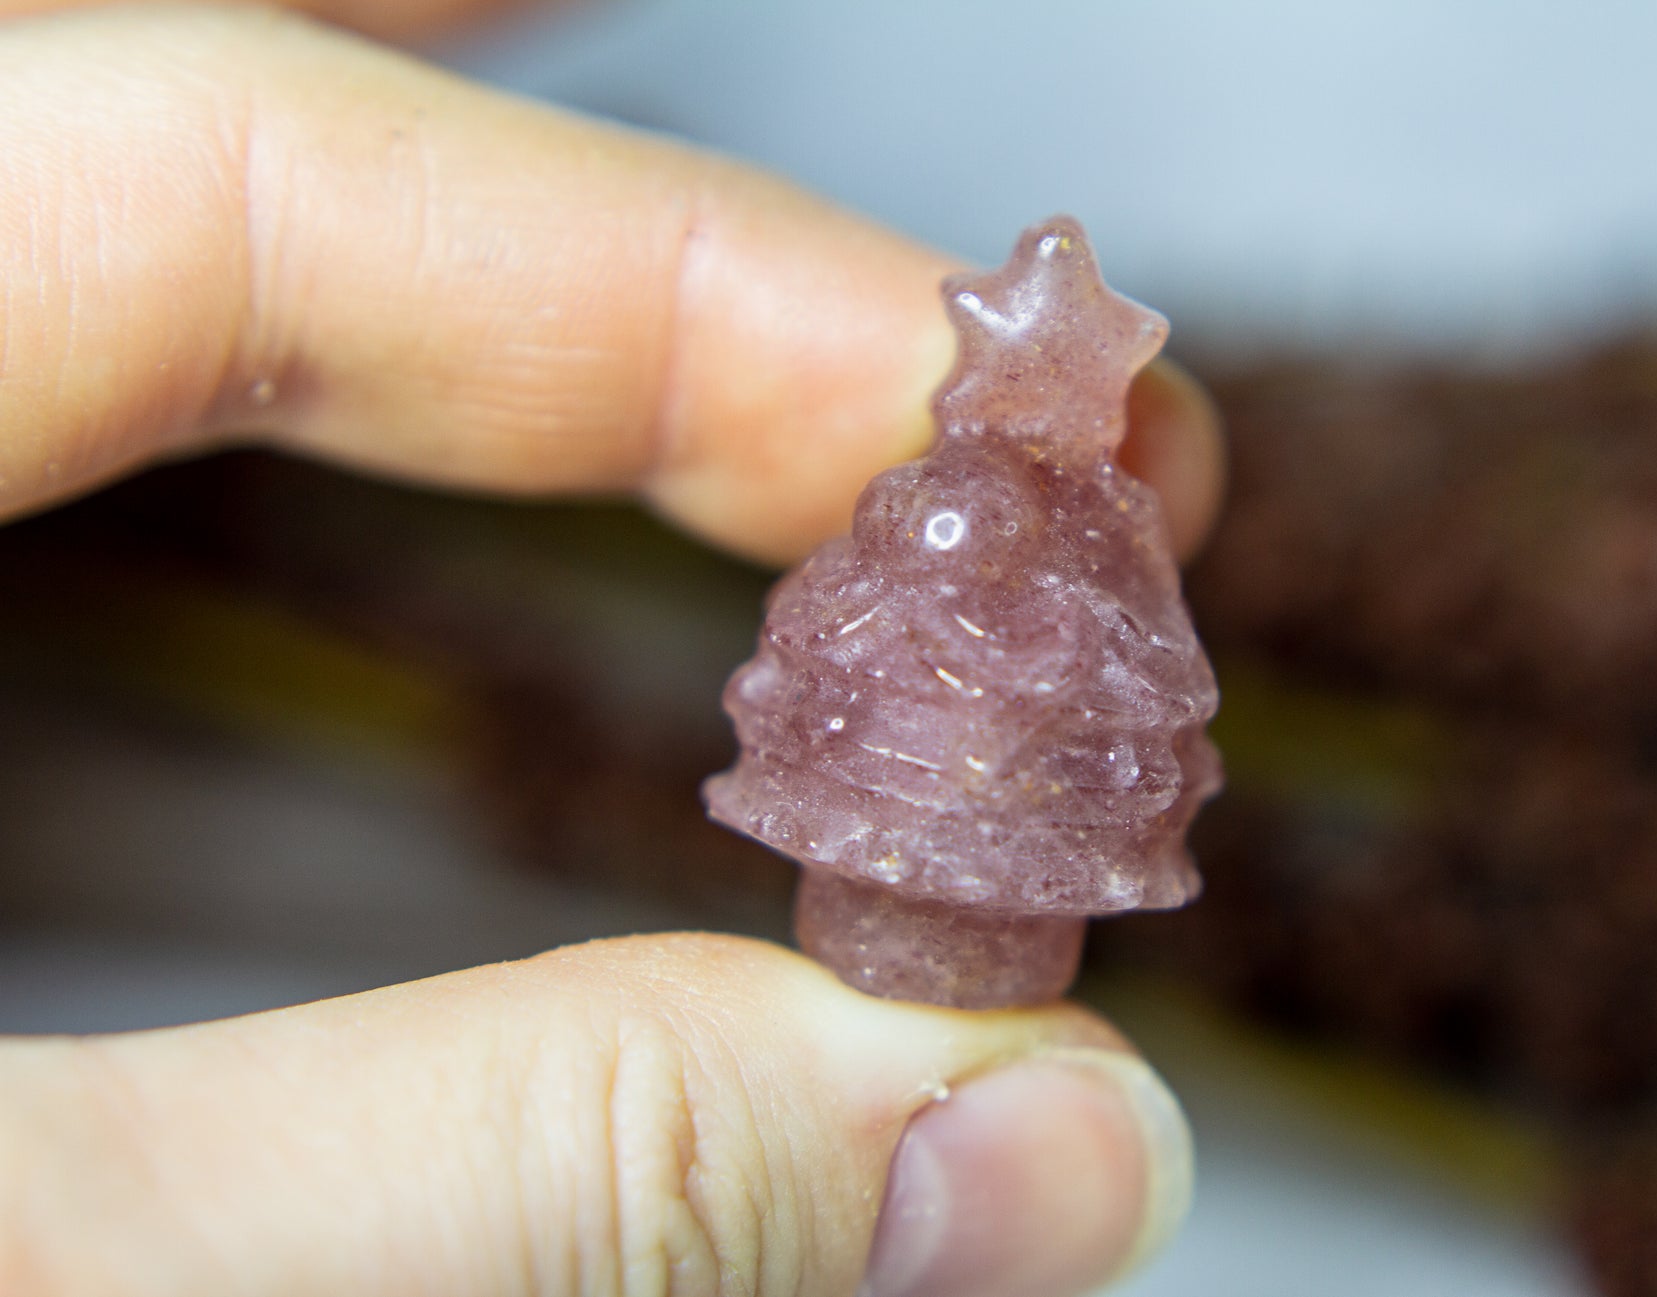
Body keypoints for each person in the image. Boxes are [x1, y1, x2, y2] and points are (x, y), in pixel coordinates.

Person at [0, 4, 1225, 1296]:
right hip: (892, 802)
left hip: (1019, 823)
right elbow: (855, 614)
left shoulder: (1107, 532)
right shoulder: (931, 508)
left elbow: (1140, 658)